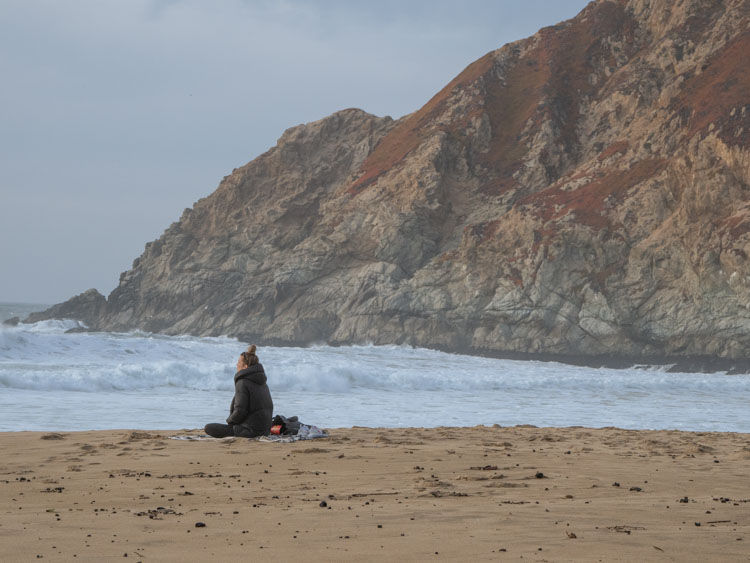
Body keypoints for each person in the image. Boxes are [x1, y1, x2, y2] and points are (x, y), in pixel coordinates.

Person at [204, 345, 273, 438]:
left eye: (239, 362)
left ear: (245, 366)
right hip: (265, 431)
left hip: (249, 431)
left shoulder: (242, 382)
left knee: (209, 428)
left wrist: (230, 421)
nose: (237, 365)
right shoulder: (263, 383)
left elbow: (240, 411)